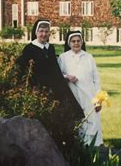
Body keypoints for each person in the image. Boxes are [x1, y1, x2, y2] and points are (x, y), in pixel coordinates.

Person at [16, 19, 84, 150]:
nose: (44, 34)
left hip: (54, 88)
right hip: (38, 89)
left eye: (46, 31)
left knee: (63, 113)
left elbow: (55, 69)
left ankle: (60, 145)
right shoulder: (30, 49)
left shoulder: (50, 48)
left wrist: (64, 78)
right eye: (41, 31)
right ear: (36, 32)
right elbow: (22, 70)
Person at [58, 31, 103, 146]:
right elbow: (57, 76)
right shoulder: (63, 57)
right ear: (69, 43)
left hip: (89, 95)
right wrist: (67, 77)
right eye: (73, 41)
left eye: (78, 41)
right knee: (77, 122)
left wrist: (98, 98)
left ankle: (93, 148)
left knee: (91, 121)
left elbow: (96, 79)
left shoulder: (88, 57)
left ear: (82, 42)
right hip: (73, 95)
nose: (76, 43)